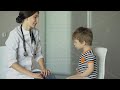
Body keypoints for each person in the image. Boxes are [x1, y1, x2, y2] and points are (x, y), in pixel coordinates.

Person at [5, 11, 55, 79]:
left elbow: (38, 55)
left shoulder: (35, 32)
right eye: (35, 17)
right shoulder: (14, 34)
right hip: (17, 75)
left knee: (50, 76)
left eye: (38, 17)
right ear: (26, 17)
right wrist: (32, 75)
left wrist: (43, 68)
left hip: (31, 71)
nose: (37, 21)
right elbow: (12, 62)